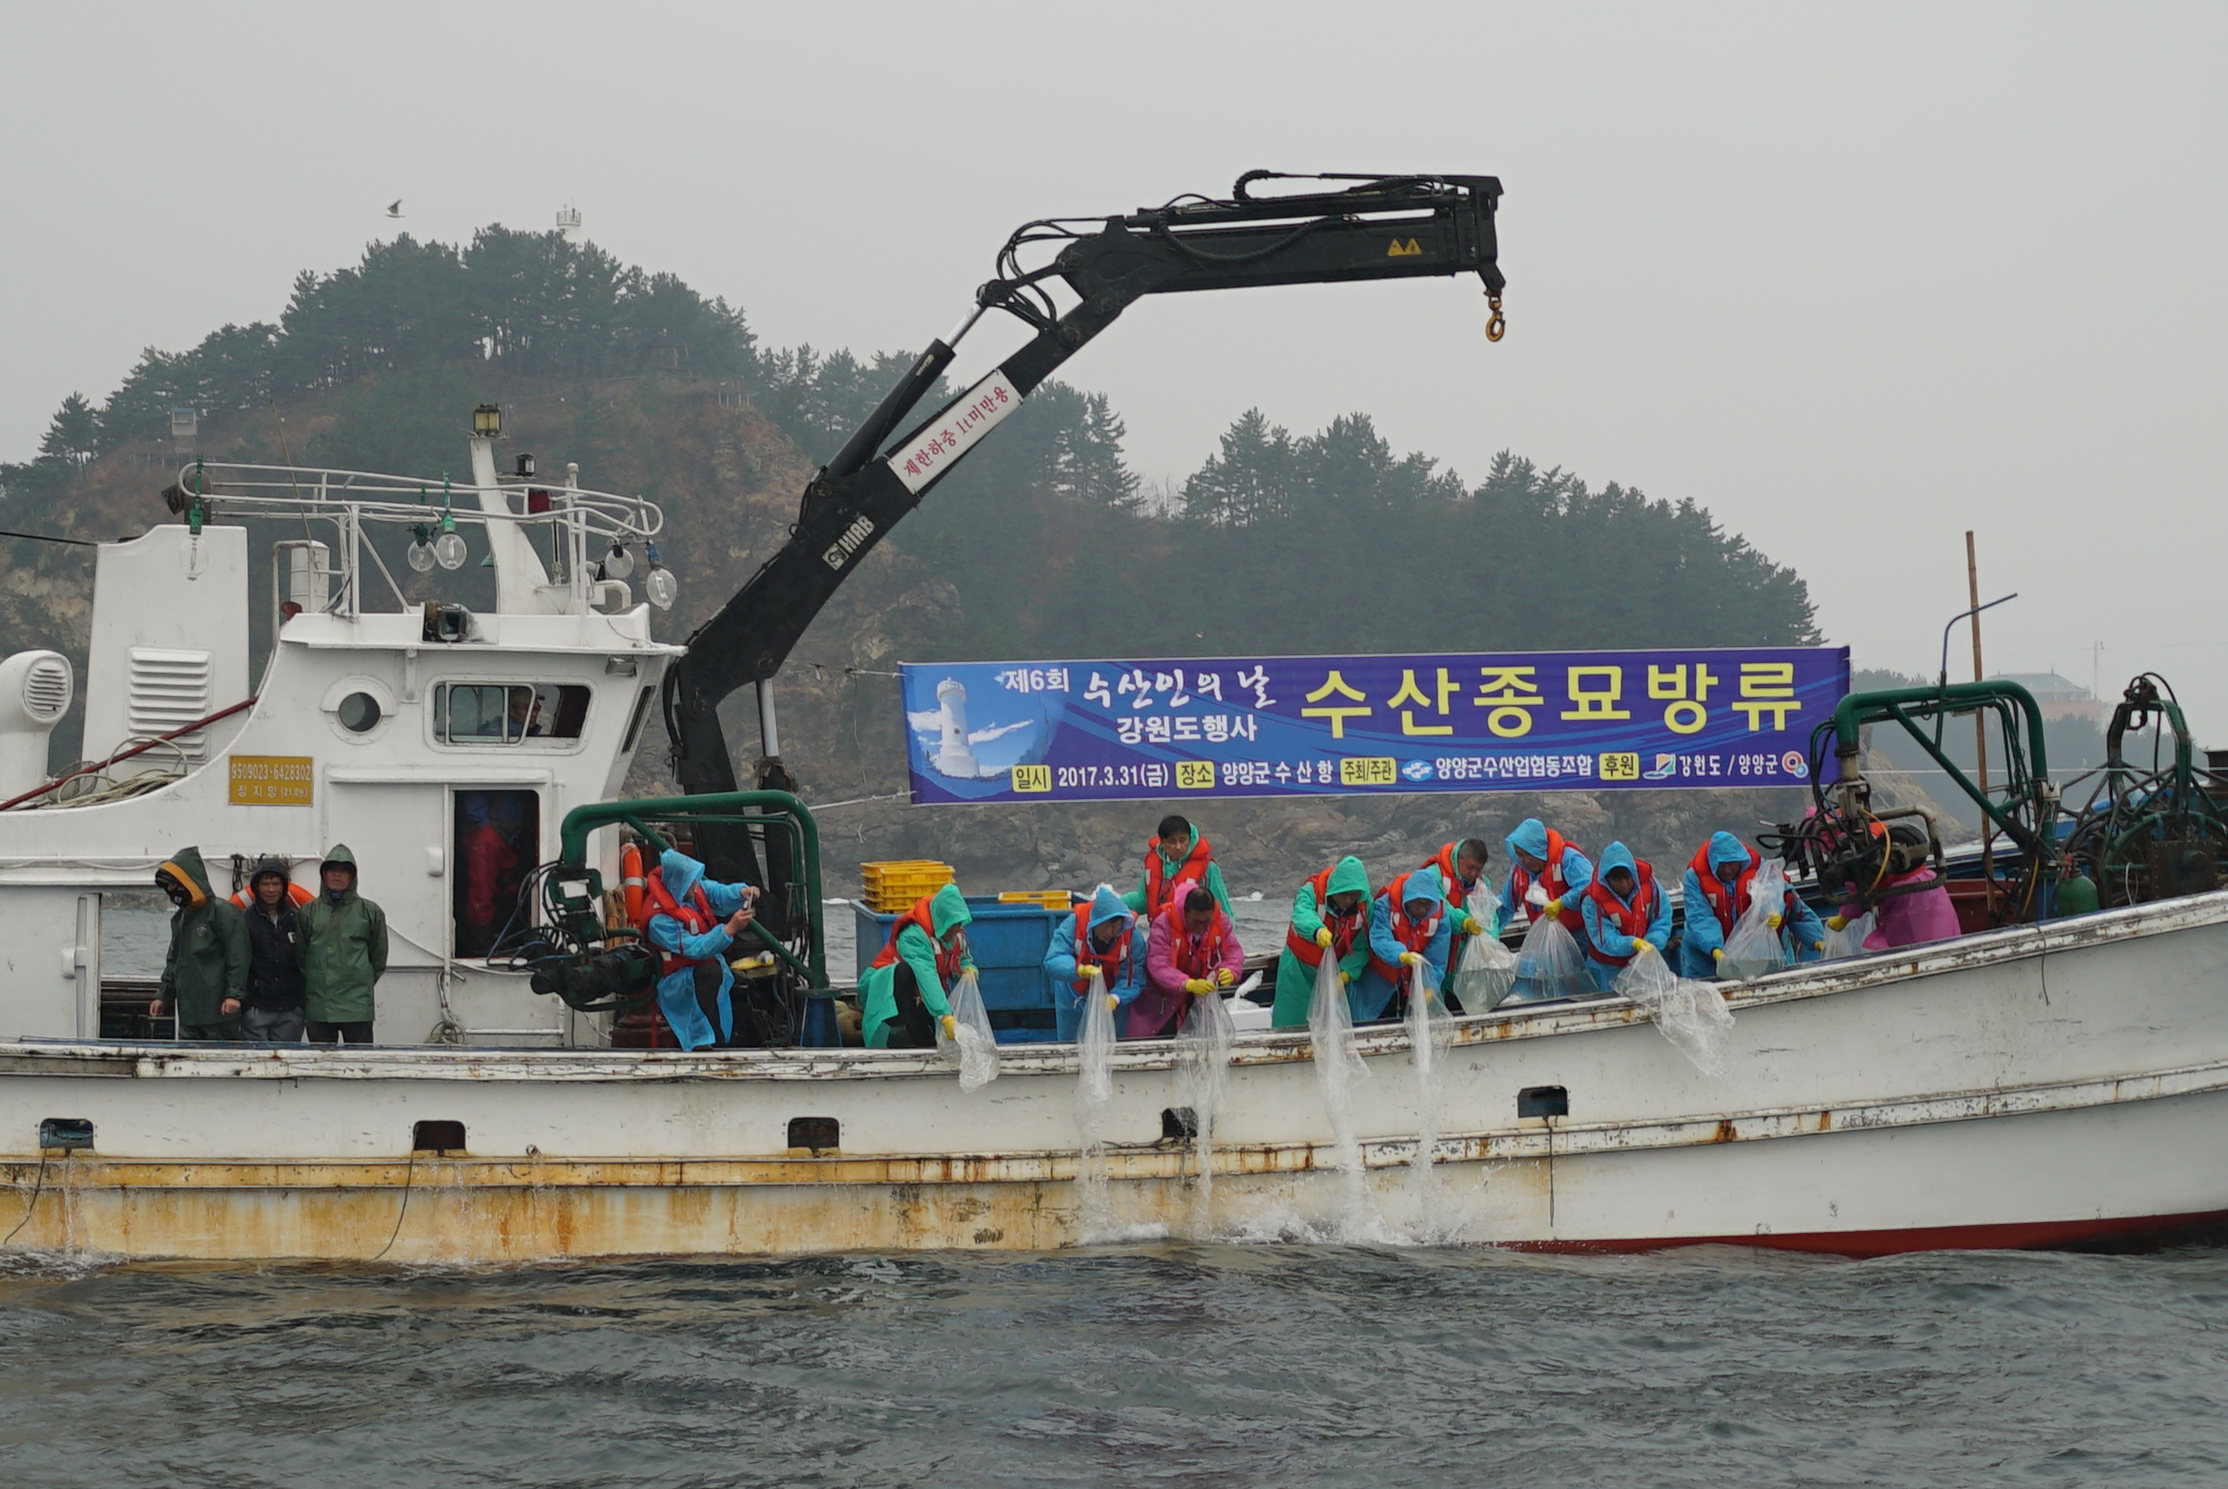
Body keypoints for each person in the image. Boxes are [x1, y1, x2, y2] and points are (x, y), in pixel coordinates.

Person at [642, 847, 761, 1050]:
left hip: (706, 971)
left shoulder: (688, 891)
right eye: (691, 881)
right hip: (678, 981)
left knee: (724, 980)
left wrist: (741, 892)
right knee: (709, 975)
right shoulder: (659, 921)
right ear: (678, 882)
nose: (696, 885)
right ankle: (706, 1043)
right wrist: (730, 929)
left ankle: (724, 1038)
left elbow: (715, 892)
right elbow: (696, 948)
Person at [1679, 831, 1826, 978]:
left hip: (1763, 959)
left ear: (1741, 861)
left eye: (1732, 864)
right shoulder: (1695, 878)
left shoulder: (1762, 872)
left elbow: (1793, 907)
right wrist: (1714, 949)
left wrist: (1817, 939)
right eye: (1722, 865)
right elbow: (1699, 917)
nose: (1727, 870)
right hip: (1707, 963)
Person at [148, 846, 248, 1040]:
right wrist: (163, 995)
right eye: (167, 886)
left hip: (219, 1013)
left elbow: (239, 956)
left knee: (222, 1063)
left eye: (173, 884)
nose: (171, 890)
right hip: (189, 1014)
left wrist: (233, 994)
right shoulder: (181, 918)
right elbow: (174, 961)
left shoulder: (222, 911)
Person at [860, 883, 977, 1049]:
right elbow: (926, 974)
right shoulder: (913, 935)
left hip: (920, 996)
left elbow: (962, 959)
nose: (957, 929)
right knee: (904, 972)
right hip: (882, 992)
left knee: (929, 1031)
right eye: (953, 924)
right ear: (942, 920)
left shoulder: (955, 936)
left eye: (959, 924)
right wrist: (944, 1016)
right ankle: (898, 1032)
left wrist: (967, 969)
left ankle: (923, 1038)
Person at [296, 844, 389, 1045]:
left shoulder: (370, 912)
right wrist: (319, 981)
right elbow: (301, 956)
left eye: (344, 871)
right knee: (321, 1066)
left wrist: (359, 982)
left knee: (359, 1065)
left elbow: (378, 957)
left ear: (352, 876)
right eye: (332, 870)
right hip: (319, 1006)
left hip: (357, 1007)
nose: (337, 876)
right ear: (324, 875)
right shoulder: (308, 912)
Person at [1270, 855, 1372, 1028]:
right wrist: (1317, 931)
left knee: (1333, 1025)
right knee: (1291, 1021)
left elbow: (1362, 946)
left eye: (1354, 895)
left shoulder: (1365, 907)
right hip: (1299, 968)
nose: (1349, 900)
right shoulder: (1311, 891)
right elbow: (1301, 914)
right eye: (1344, 894)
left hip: (1334, 972)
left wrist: (1346, 973)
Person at [1134, 881, 1245, 1039]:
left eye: (1206, 922)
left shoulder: (1221, 921)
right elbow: (1158, 964)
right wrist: (1187, 983)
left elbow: (1233, 951)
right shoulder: (1163, 923)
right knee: (1156, 1037)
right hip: (1162, 999)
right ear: (1185, 912)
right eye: (1196, 922)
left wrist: (1231, 970)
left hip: (1201, 997)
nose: (1201, 927)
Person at [1828, 820, 1960, 950]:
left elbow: (1865, 890)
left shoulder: (1893, 883)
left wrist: (1845, 916)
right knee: (1944, 938)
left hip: (1909, 914)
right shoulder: (1930, 878)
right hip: (1932, 901)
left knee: (1914, 949)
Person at [1044, 885, 1150, 1040]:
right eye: (1105, 926)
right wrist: (1078, 970)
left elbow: (1135, 977)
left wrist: (1116, 998)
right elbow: (1053, 959)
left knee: (1114, 1045)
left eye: (1115, 926)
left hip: (1112, 997)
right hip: (1073, 994)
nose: (1109, 933)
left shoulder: (1132, 937)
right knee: (1070, 1045)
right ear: (1094, 922)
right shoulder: (1074, 924)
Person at [1351, 869, 1452, 1024]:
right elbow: (1379, 938)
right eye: (1419, 904)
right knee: (1368, 1020)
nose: (1423, 910)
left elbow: (1438, 958)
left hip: (1412, 986)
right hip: (1380, 980)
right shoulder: (1385, 906)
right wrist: (1400, 955)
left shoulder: (1440, 918)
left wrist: (1430, 987)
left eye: (1428, 905)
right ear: (1408, 899)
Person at [1578, 841, 1675, 992]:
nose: (1623, 884)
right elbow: (1604, 940)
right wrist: (1632, 943)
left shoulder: (1652, 886)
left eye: (1627, 878)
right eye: (1617, 879)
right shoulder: (1592, 901)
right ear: (1606, 879)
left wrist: (1654, 942)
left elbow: (1662, 917)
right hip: (1608, 967)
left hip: (1647, 961)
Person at [239, 857, 307, 1042]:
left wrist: (300, 1004)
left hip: (290, 1010)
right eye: (265, 884)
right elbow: (237, 962)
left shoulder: (297, 919)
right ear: (256, 887)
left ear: (283, 887)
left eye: (276, 884)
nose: (271, 890)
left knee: (286, 1066)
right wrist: (246, 1005)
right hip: (256, 1009)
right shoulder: (244, 920)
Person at [1420, 837, 1494, 1004]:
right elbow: (1438, 906)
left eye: (1478, 870)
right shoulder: (1433, 876)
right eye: (1470, 868)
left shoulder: (1482, 885)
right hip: (1436, 952)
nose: (1474, 874)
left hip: (1465, 960)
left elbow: (1491, 917)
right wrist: (1464, 921)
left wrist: (1489, 940)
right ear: (1459, 858)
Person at [1124, 814, 1232, 920]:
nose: (1178, 847)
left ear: (1190, 839)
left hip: (1195, 934)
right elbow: (1144, 900)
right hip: (1161, 934)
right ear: (1162, 842)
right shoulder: (1154, 864)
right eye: (1172, 841)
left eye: (1183, 840)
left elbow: (1223, 910)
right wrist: (1114, 904)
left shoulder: (1208, 868)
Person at [1498, 818, 1593, 935]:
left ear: (1539, 849)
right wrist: (1485, 922)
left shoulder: (1568, 859)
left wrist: (1562, 903)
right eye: (1520, 855)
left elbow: (1588, 886)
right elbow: (1507, 904)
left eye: (1529, 854)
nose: (1525, 860)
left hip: (1579, 934)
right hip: (1543, 936)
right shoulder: (1518, 872)